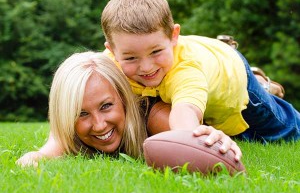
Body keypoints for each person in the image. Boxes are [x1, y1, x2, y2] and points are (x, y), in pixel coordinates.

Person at [101, 0, 300, 143]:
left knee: (280, 130)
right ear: (112, 50)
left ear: (173, 36)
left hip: (232, 76)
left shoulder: (185, 70)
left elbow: (184, 111)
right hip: (203, 59)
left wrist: (189, 139)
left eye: (155, 52)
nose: (146, 67)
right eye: (131, 58)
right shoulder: (107, 64)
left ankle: (261, 87)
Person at [17, 51, 241, 167]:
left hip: (227, 69)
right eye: (82, 114)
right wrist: (31, 159)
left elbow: (197, 141)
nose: (99, 124)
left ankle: (260, 81)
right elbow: (43, 154)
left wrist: (211, 138)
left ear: (124, 98)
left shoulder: (155, 117)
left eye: (106, 106)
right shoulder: (70, 131)